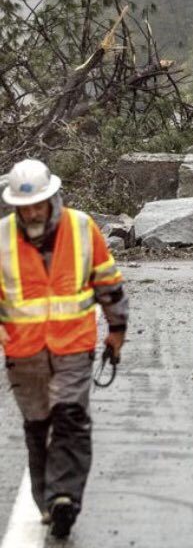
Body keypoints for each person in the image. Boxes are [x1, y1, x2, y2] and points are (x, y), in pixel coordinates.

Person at [0, 159, 127, 539]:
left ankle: (64, 499)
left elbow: (107, 281)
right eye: (25, 207)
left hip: (73, 346)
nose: (33, 212)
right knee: (38, 427)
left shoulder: (82, 228)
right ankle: (47, 501)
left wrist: (117, 328)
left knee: (70, 419)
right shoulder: (2, 239)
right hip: (24, 355)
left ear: (53, 198)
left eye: (38, 204)